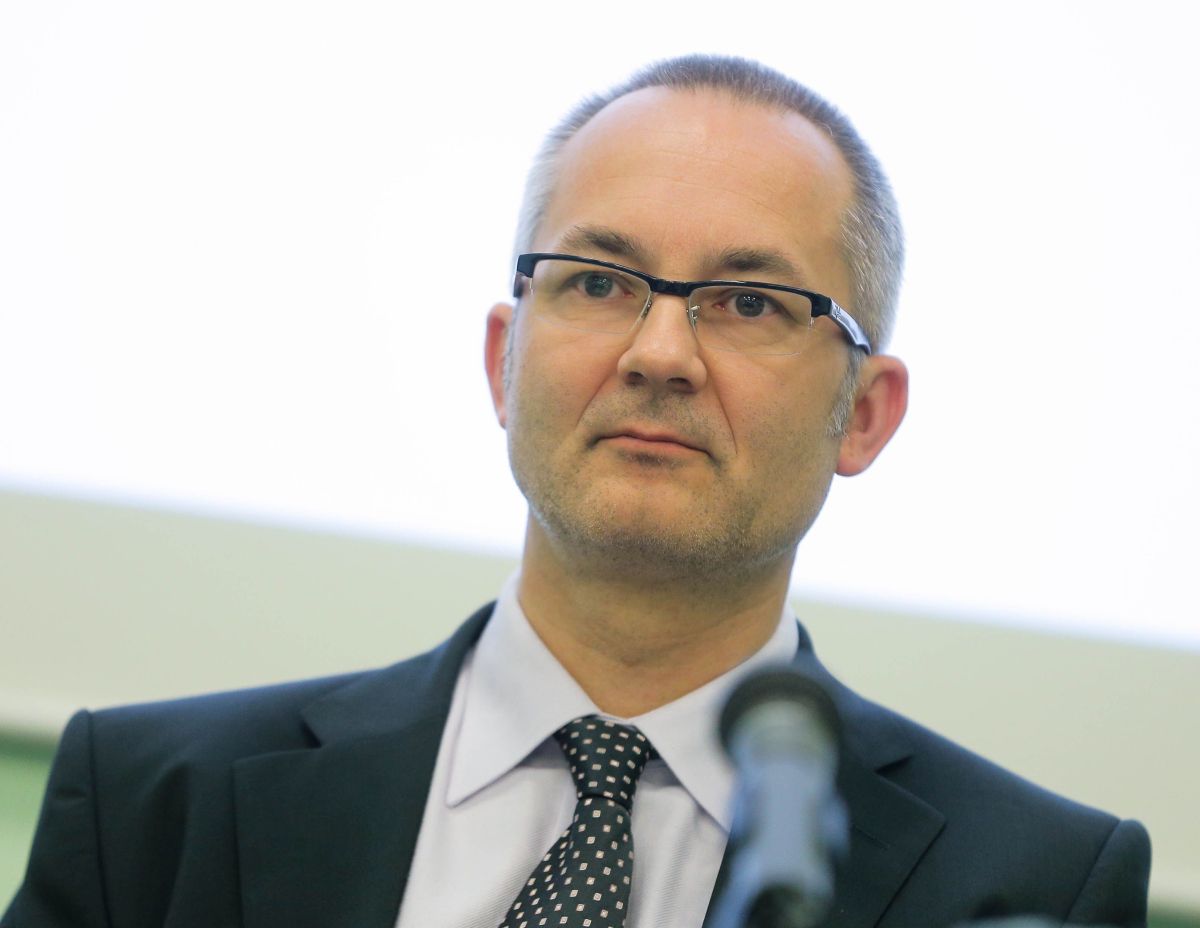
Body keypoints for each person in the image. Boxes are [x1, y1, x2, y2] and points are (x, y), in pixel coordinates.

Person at [3, 55, 1150, 928]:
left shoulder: (1029, 884)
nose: (660, 353)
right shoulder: (154, 804)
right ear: (503, 360)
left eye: (749, 303)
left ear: (865, 413)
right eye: (599, 282)